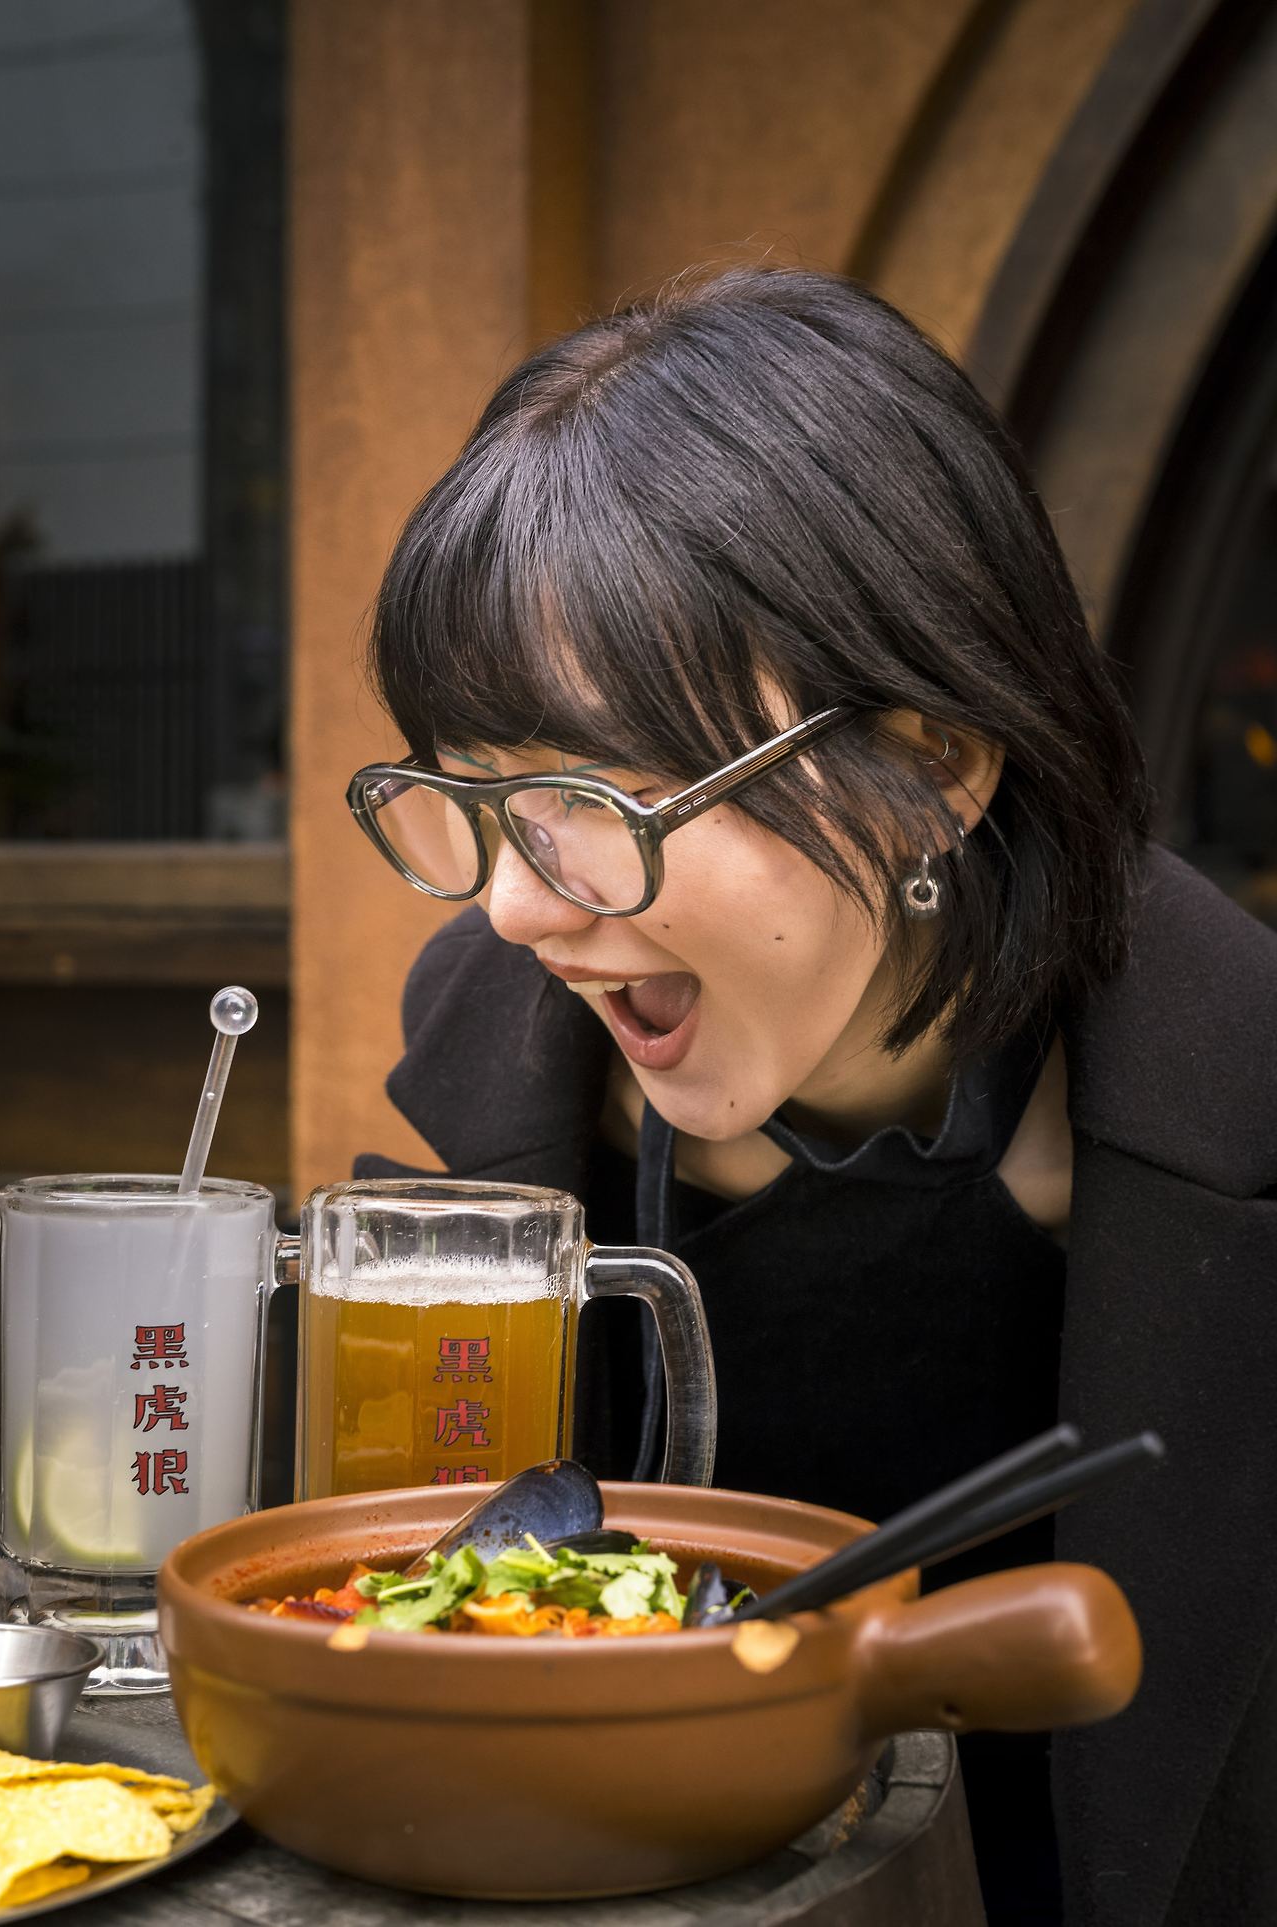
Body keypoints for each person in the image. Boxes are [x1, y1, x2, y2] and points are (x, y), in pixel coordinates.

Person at [348, 266, 1277, 1927]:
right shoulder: (492, 1119)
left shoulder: (1230, 1118)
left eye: (595, 800)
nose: (513, 905)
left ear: (932, 765)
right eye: (476, 800)